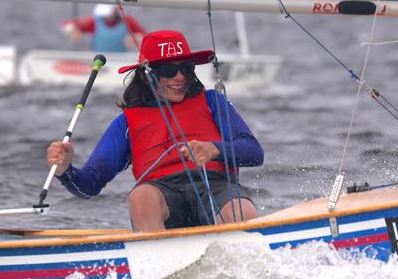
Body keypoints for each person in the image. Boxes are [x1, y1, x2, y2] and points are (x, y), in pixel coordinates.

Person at [46, 29, 264, 232]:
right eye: (169, 70)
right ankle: (155, 258)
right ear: (146, 75)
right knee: (140, 196)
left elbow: (254, 152)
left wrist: (215, 150)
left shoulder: (212, 102)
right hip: (162, 194)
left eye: (186, 68)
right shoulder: (126, 124)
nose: (180, 77)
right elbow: (88, 187)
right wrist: (65, 170)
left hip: (217, 185)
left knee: (241, 210)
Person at [61, 3, 146, 53]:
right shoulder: (95, 21)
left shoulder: (127, 20)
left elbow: (145, 37)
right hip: (99, 60)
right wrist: (72, 30)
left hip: (120, 61)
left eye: (108, 14)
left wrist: (136, 38)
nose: (106, 17)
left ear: (115, 10)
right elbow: (68, 24)